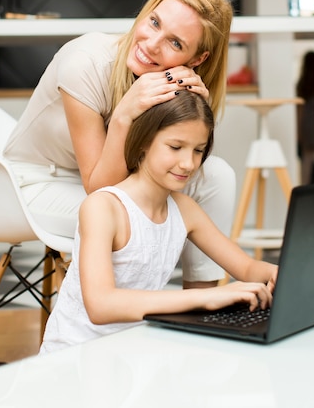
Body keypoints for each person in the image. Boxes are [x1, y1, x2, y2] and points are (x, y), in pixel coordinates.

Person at [3, 0, 236, 288]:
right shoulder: (85, 63)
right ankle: (122, 318)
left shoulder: (168, 82)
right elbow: (100, 189)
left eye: (175, 43)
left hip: (110, 185)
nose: (151, 44)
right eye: (154, 22)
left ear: (197, 60)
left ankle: (201, 312)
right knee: (131, 210)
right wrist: (125, 114)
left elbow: (162, 165)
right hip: (37, 183)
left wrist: (193, 115)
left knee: (217, 176)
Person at [40, 92, 278, 354]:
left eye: (198, 150)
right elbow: (101, 305)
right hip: (75, 357)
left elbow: (246, 267)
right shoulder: (103, 207)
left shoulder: (184, 209)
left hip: (131, 355)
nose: (188, 163)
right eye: (175, 147)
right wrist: (205, 298)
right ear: (144, 141)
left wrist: (281, 273)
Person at [296, 50, 314, 184]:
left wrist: (299, 134)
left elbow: (300, 111)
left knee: (307, 163)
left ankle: (305, 188)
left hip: (306, 129)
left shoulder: (302, 85)